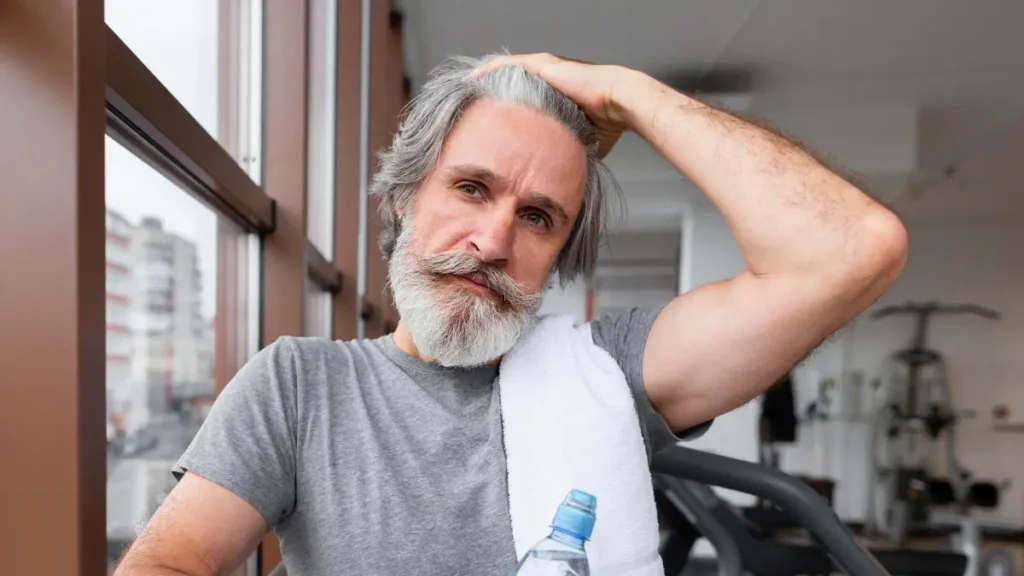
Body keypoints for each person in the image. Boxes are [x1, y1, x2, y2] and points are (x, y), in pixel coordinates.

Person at [114, 53, 907, 575]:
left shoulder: (611, 371)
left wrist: (621, 93)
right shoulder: (299, 387)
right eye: (470, 189)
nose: (493, 239)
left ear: (557, 255)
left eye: (538, 218)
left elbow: (852, 250)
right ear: (401, 200)